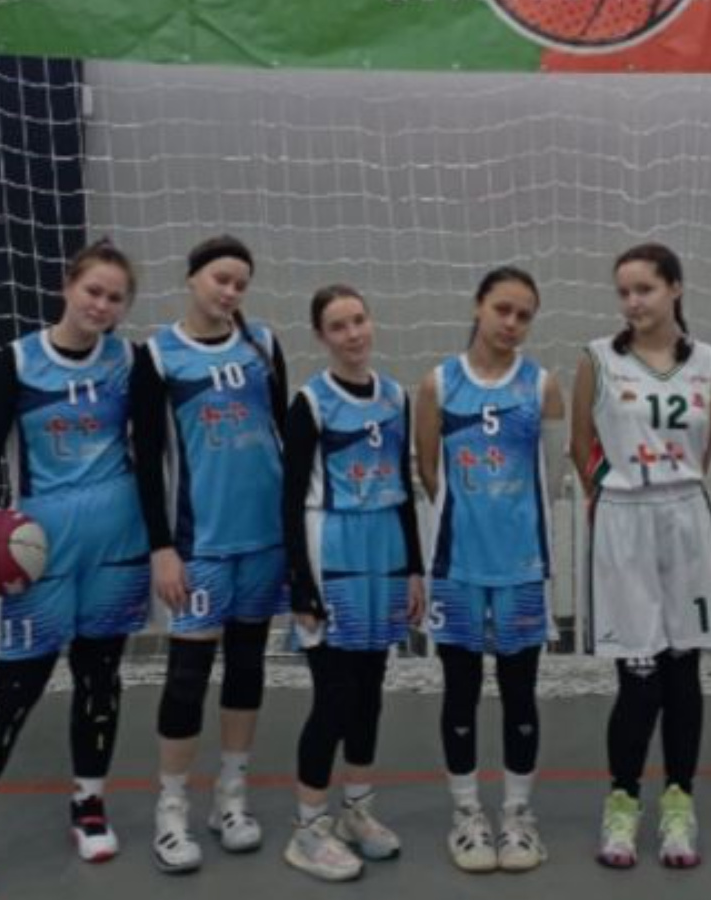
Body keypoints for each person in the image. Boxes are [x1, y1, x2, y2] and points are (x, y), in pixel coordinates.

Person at [0, 239, 150, 896]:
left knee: (100, 679)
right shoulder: (20, 361)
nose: (101, 306)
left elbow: (154, 450)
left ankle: (89, 803)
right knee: (15, 690)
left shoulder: (129, 361)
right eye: (93, 291)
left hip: (117, 544)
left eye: (115, 298)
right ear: (67, 285)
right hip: (41, 551)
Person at [132, 235, 289, 874]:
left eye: (241, 284)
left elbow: (285, 436)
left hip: (265, 539)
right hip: (200, 543)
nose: (230, 292)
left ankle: (232, 797)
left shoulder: (264, 344)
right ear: (192, 278)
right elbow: (147, 461)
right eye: (221, 279)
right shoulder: (157, 355)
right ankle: (171, 808)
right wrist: (161, 547)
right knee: (187, 677)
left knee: (248, 668)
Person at [570, 242, 711, 869]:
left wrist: (672, 487)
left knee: (683, 674)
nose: (633, 302)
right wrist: (613, 494)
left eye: (645, 289)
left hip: (685, 516)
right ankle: (623, 801)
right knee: (637, 678)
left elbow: (707, 448)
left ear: (675, 289)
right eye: (624, 292)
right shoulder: (598, 358)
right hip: (625, 518)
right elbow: (580, 442)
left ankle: (680, 803)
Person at [415, 266, 564, 874]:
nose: (512, 323)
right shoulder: (439, 384)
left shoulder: (543, 386)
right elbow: (430, 472)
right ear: (478, 306)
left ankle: (518, 816)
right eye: (502, 309)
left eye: (524, 315)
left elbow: (552, 478)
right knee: (461, 689)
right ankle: (468, 813)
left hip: (521, 567)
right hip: (458, 565)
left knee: (521, 692)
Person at [280, 284, 426, 882]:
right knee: (334, 695)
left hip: (384, 548)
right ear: (321, 336)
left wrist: (414, 567)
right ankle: (308, 828)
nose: (353, 334)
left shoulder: (395, 396)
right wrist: (300, 583)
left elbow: (404, 488)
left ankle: (356, 812)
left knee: (370, 690)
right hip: (332, 547)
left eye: (359, 320)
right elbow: (289, 499)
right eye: (338, 326)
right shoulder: (310, 403)